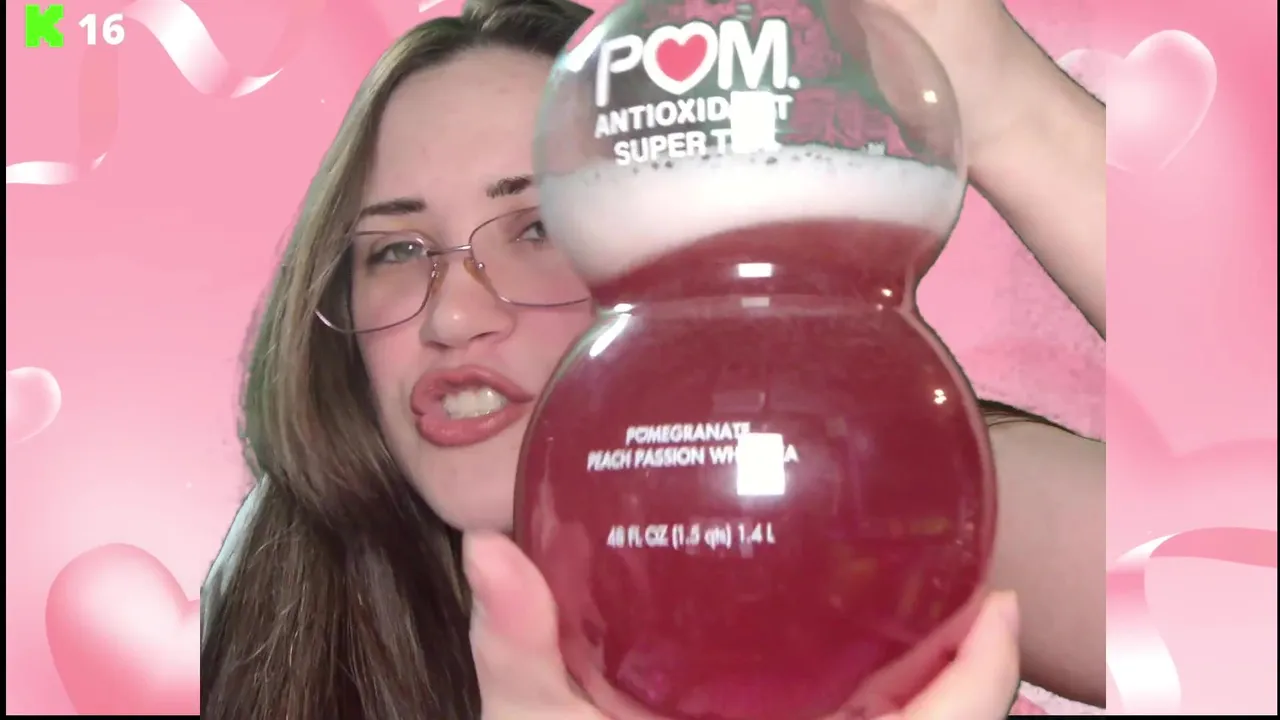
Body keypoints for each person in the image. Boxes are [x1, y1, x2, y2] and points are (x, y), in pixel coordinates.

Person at [199, 0, 1106, 717]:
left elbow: (1195, 578)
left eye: (539, 227)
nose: (454, 316)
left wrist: (1010, 109)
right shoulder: (272, 597)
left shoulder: (891, 492)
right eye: (397, 250)